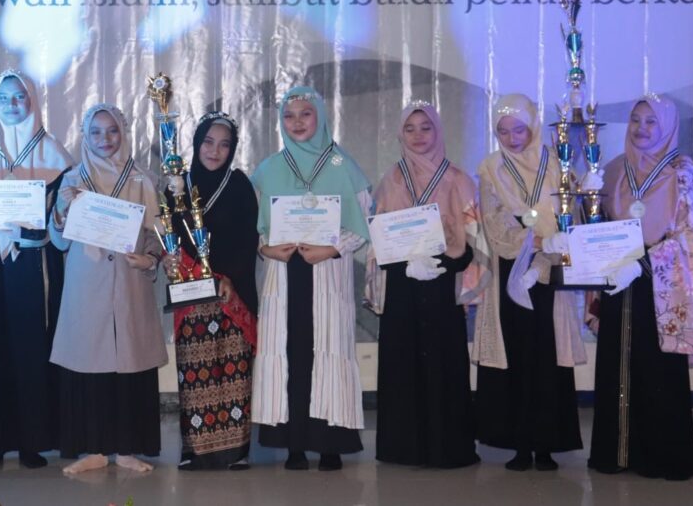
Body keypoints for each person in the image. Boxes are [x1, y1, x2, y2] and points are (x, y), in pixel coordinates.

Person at [588, 95, 693, 480]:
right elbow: (598, 226)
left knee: (658, 369)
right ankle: (616, 453)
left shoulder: (680, 172)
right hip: (617, 284)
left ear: (667, 125)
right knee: (616, 365)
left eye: (651, 121)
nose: (641, 129)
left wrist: (642, 262)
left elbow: (689, 235)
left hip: (661, 289)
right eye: (636, 120)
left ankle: (663, 458)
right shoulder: (613, 170)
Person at [0, 70, 73, 470]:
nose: (12, 104)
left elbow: (61, 212)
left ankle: (32, 441)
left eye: (19, 97)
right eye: (4, 97)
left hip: (33, 257)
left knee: (31, 343)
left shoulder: (53, 153)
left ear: (32, 101)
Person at [251, 86, 370, 472]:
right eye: (289, 116)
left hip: (327, 274)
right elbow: (254, 227)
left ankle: (330, 444)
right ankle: (294, 446)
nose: (297, 122)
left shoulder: (343, 166)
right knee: (291, 355)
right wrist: (267, 248)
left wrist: (332, 249)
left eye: (306, 114)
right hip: (284, 276)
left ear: (320, 117)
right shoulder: (268, 170)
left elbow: (362, 224)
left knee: (327, 353)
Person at [49, 104, 167, 475]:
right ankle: (94, 449)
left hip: (130, 285)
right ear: (85, 136)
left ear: (123, 133)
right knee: (91, 367)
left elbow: (157, 236)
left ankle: (128, 449)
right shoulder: (72, 180)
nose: (105, 139)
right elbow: (59, 241)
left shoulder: (143, 180)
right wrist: (61, 211)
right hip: (87, 287)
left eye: (112, 130)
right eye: (96, 132)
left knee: (130, 366)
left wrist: (149, 259)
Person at [365, 102, 483, 468]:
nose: (418, 136)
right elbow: (378, 239)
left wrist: (444, 263)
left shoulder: (460, 180)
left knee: (445, 365)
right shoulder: (391, 180)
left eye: (426, 127)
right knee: (402, 365)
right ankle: (403, 448)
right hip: (402, 288)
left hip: (442, 287)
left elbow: (476, 240)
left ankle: (449, 448)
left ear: (438, 131)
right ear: (400, 134)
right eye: (410, 128)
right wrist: (406, 263)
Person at [471, 93, 585, 471]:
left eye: (519, 129)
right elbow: (495, 223)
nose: (512, 138)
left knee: (547, 357)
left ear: (532, 126)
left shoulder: (556, 162)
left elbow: (569, 214)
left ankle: (547, 445)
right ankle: (520, 445)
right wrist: (535, 242)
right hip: (511, 274)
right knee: (517, 355)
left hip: (550, 274)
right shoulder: (491, 169)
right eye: (503, 131)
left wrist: (550, 249)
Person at [163, 112, 259, 471]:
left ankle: (236, 450)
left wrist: (228, 277)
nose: (215, 151)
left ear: (232, 150)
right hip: (192, 291)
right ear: (197, 142)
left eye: (224, 145)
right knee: (196, 370)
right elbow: (169, 235)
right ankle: (196, 450)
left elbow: (248, 239)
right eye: (208, 142)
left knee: (233, 370)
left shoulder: (239, 185)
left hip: (232, 289)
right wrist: (169, 260)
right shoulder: (177, 186)